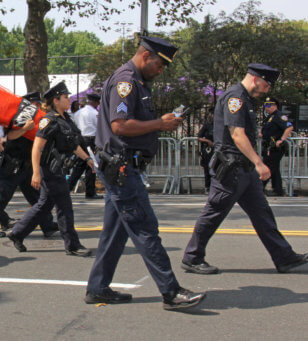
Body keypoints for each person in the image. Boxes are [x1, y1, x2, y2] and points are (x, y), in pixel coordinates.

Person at [85, 36, 206, 310]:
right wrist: (159, 124)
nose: (161, 70)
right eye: (160, 64)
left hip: (123, 166)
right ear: (145, 55)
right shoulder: (126, 81)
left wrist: (160, 124)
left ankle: (98, 288)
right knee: (145, 228)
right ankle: (171, 292)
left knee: (115, 233)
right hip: (122, 167)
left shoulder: (137, 82)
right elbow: (119, 126)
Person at [182, 64, 307, 275]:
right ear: (257, 79)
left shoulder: (245, 99)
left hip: (243, 169)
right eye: (266, 85)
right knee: (214, 213)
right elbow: (237, 134)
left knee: (262, 214)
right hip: (231, 168)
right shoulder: (235, 98)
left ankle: (284, 258)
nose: (267, 90)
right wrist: (259, 162)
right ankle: (192, 257)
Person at [6, 82, 93, 254]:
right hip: (50, 171)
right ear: (56, 100)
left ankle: (17, 233)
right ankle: (72, 245)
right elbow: (37, 147)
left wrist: (88, 159)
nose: (69, 100)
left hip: (59, 169)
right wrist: (36, 173)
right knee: (64, 207)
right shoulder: (49, 120)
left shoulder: (66, 120)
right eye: (66, 97)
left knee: (44, 205)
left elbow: (73, 145)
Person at [0, 92, 59, 239]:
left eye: (38, 103)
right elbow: (9, 136)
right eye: (34, 103)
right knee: (3, 196)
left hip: (27, 165)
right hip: (14, 164)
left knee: (36, 197)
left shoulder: (36, 119)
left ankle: (47, 225)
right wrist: (24, 129)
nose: (37, 106)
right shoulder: (19, 117)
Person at [69, 93, 102, 199]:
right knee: (91, 166)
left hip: (79, 140)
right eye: (97, 103)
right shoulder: (94, 113)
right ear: (95, 102)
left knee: (79, 166)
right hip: (89, 141)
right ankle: (90, 192)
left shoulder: (78, 112)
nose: (98, 105)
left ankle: (67, 188)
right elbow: (99, 127)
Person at [260, 97, 292, 196]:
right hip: (268, 147)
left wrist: (281, 140)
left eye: (268, 105)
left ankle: (259, 188)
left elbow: (289, 127)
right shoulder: (269, 117)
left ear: (275, 106)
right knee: (274, 169)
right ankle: (278, 190)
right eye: (265, 105)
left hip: (276, 147)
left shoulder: (279, 116)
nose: (266, 107)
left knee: (268, 167)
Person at [197, 113, 214, 193]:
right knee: (207, 168)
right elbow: (199, 137)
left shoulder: (221, 125)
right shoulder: (207, 125)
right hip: (208, 150)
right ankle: (207, 186)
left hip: (218, 150)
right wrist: (208, 141)